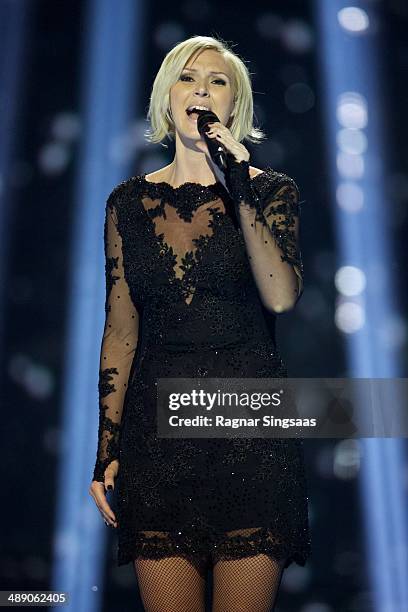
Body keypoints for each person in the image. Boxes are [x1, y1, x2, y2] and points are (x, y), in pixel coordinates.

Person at [89, 34, 311, 611]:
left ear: (234, 106)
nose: (202, 90)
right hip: (157, 439)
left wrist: (238, 185)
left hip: (251, 433)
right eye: (189, 78)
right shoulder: (128, 205)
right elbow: (120, 329)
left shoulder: (270, 192)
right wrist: (106, 447)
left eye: (218, 81)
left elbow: (282, 297)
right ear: (168, 98)